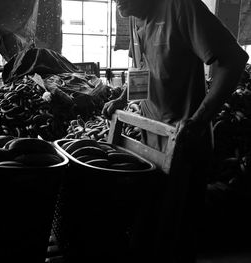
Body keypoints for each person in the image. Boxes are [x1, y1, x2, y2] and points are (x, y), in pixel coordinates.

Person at [102, 0, 249, 262]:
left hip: (184, 143)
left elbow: (235, 59)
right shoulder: (135, 14)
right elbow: (142, 68)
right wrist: (123, 98)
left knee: (176, 236)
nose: (118, 3)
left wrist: (199, 120)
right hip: (150, 142)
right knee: (151, 231)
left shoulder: (181, 7)